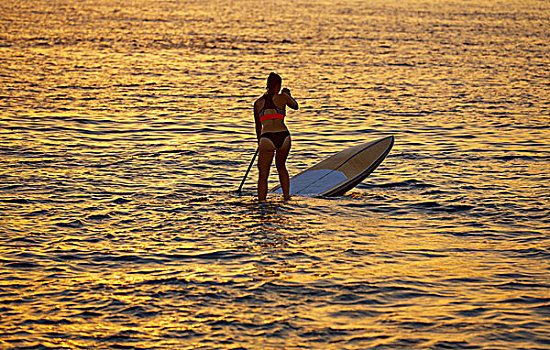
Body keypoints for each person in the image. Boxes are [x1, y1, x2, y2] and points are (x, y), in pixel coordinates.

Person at [253, 72, 299, 202]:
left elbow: (258, 127)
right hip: (284, 137)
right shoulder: (282, 98)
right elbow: (295, 106)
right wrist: (288, 95)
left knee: (263, 174)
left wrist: (260, 143)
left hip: (266, 138)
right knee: (281, 167)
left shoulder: (258, 103)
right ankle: (286, 197)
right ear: (278, 85)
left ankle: (262, 201)